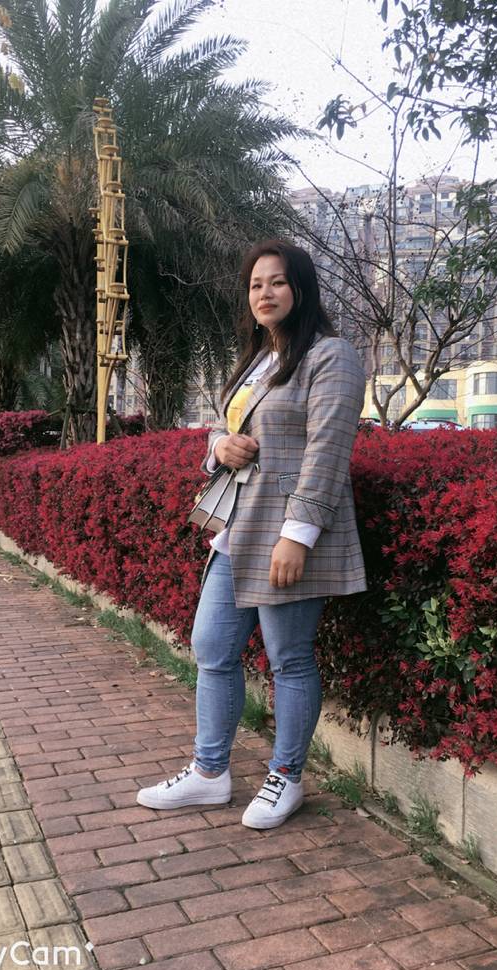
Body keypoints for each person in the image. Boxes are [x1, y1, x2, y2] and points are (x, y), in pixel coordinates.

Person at [136, 239, 367, 829]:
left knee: (288, 658)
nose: (265, 293)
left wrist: (299, 534)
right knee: (211, 647)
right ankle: (210, 772)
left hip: (287, 530)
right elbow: (224, 426)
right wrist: (218, 445)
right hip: (237, 529)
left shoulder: (331, 356)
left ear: (301, 289)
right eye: (256, 284)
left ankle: (287, 775)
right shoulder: (258, 360)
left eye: (277, 282)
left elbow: (327, 450)